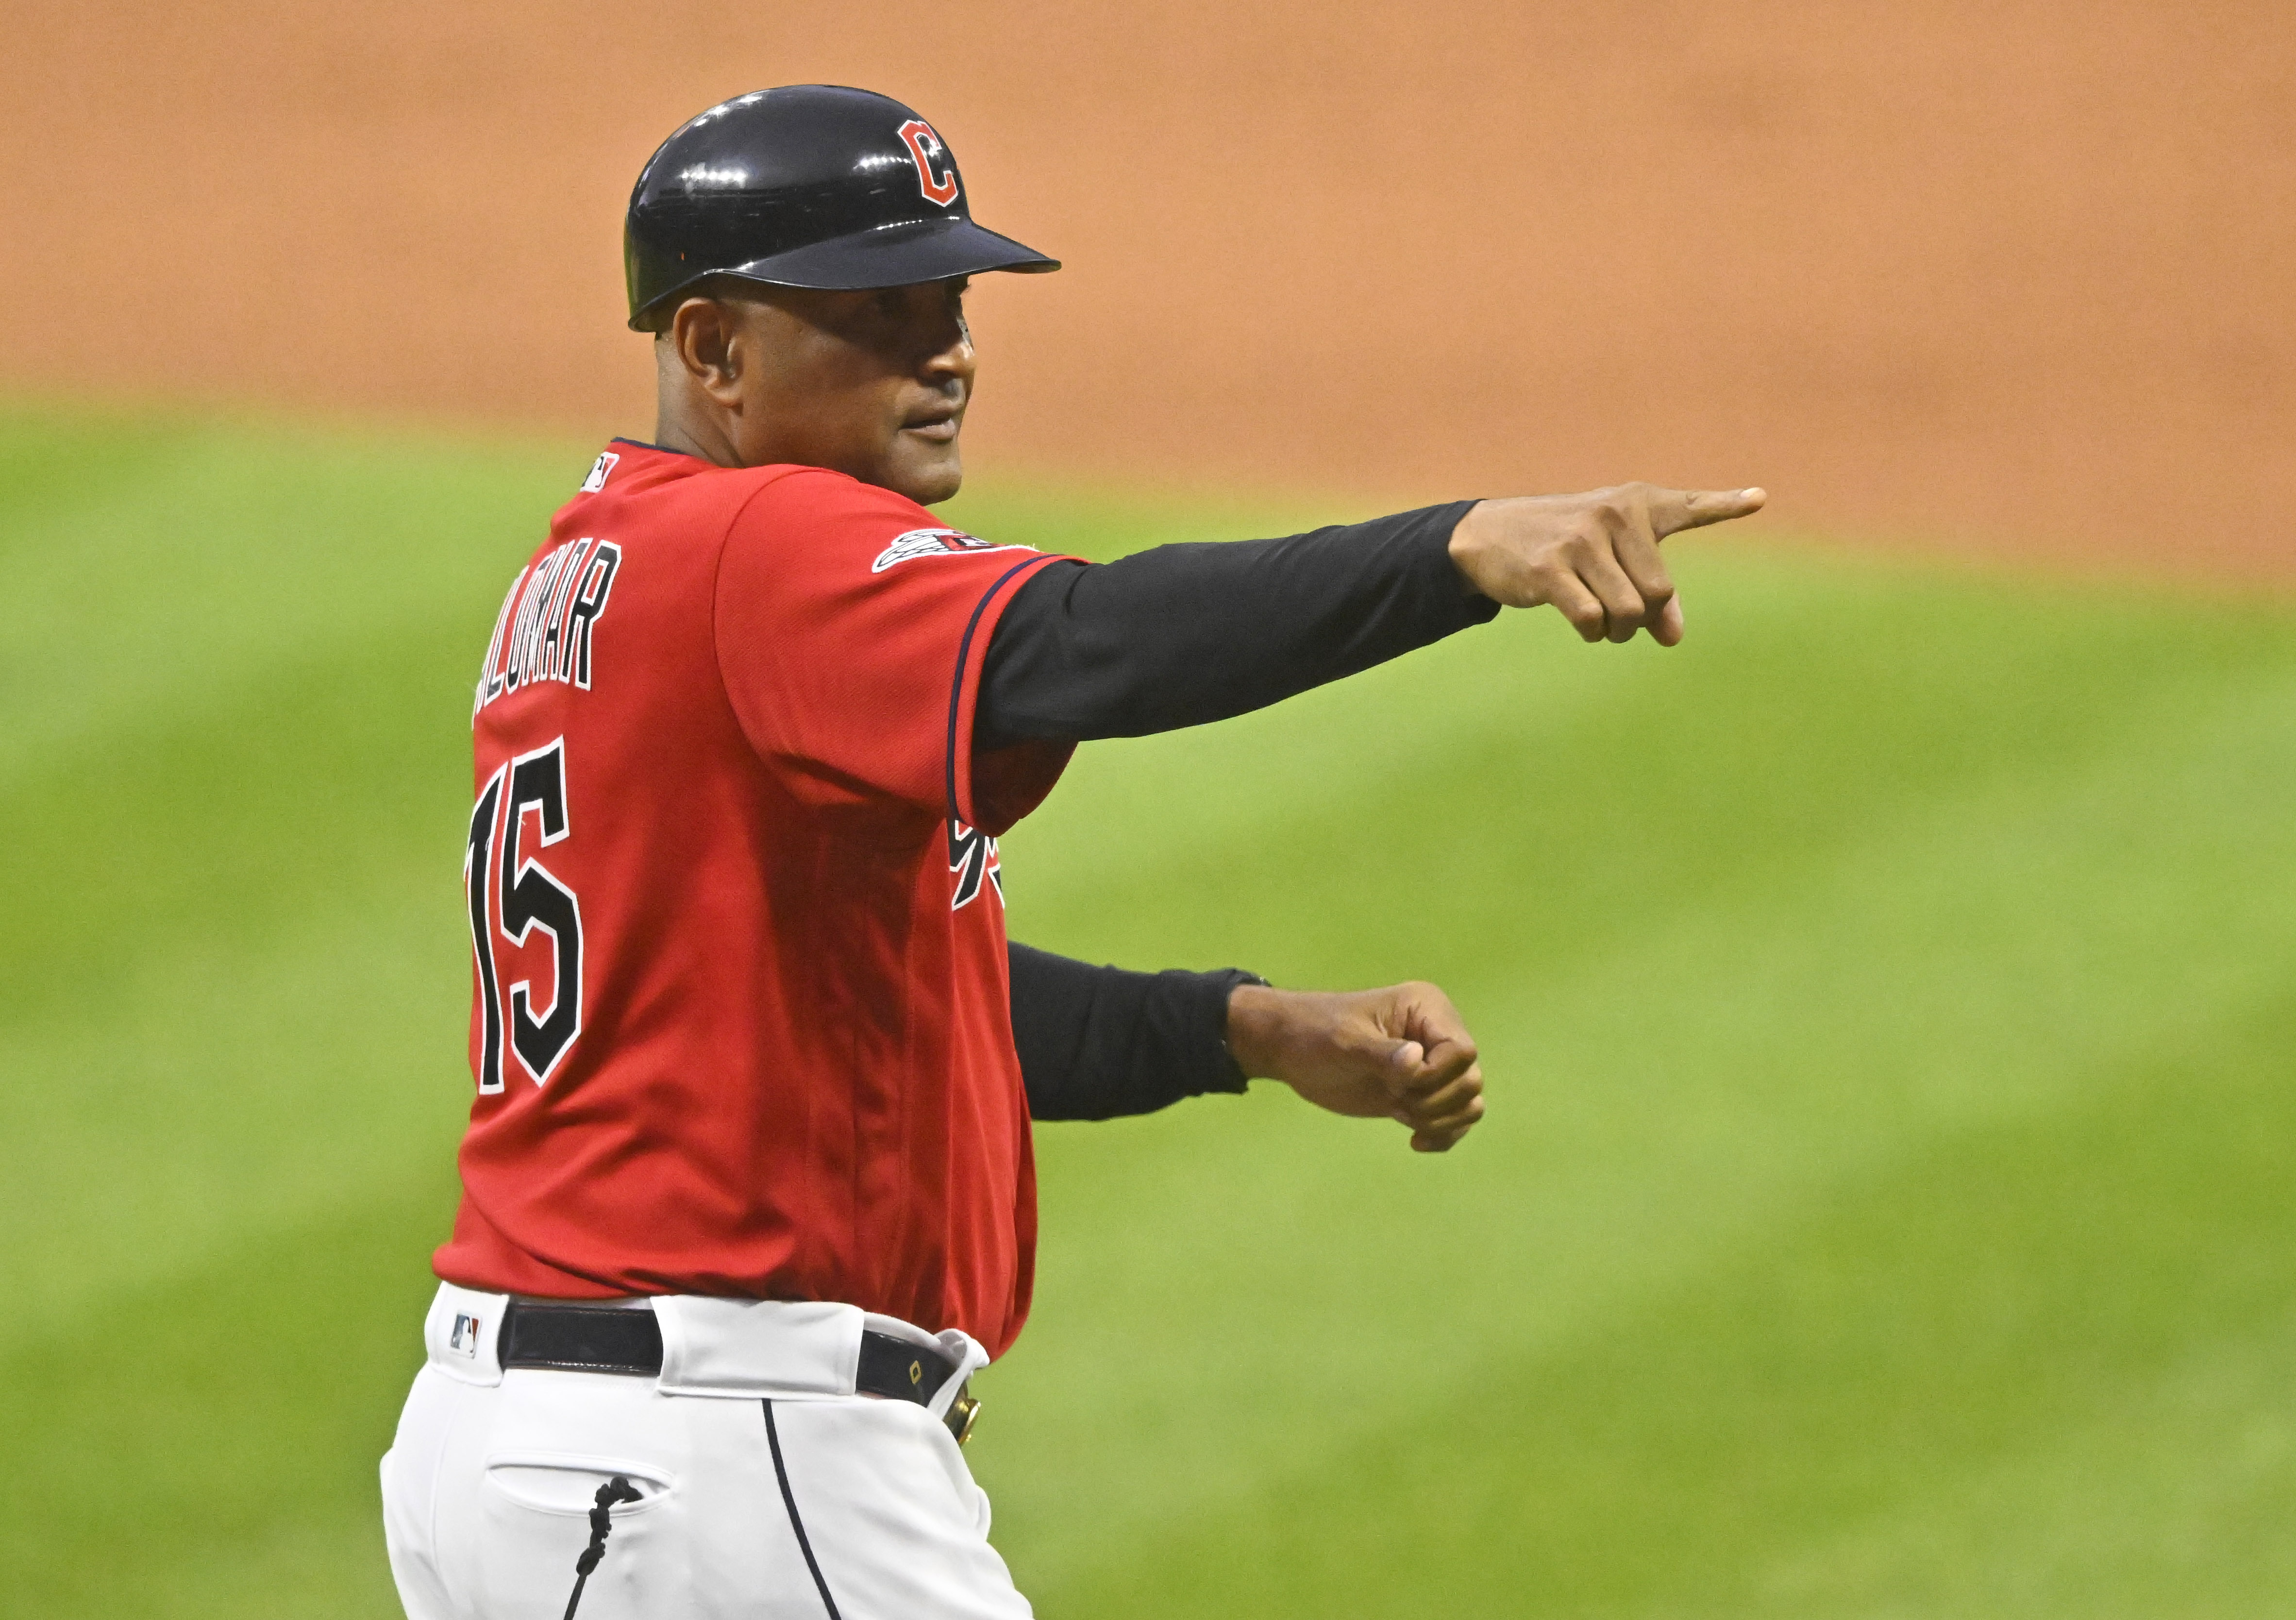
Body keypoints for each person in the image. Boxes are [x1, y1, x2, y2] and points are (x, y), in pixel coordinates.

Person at [379, 84, 1764, 1620]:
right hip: (719, 1451)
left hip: (534, 1440)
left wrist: (1237, 1030)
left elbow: (842, 999)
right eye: (878, 309)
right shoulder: (754, 545)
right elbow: (1085, 646)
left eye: (950, 299)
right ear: (713, 349)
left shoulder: (592, 568)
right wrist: (1453, 551)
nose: (948, 348)